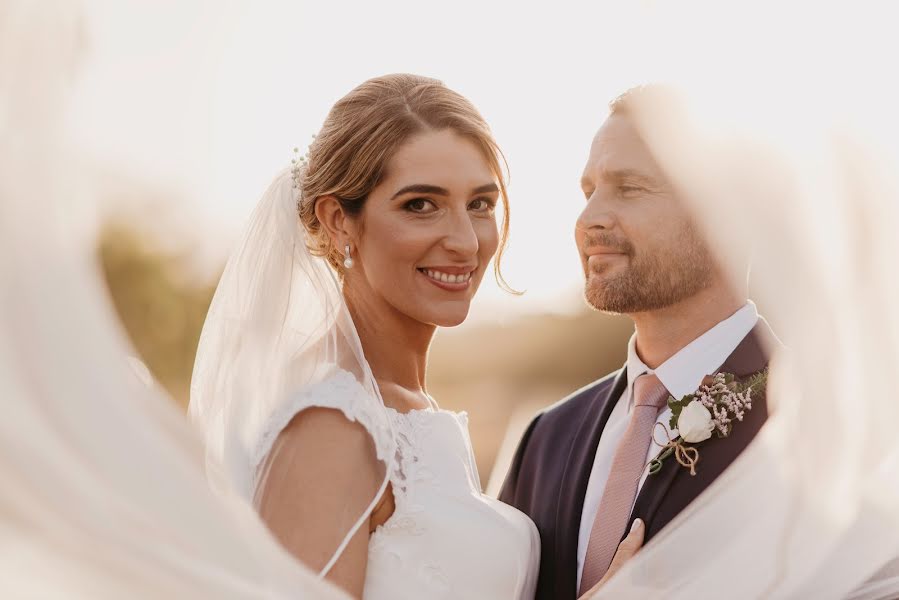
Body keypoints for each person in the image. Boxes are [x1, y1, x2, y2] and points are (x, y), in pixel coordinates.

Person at [188, 74, 539, 599]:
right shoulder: (333, 426)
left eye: (481, 204)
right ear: (338, 221)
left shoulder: (403, 409)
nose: (466, 241)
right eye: (421, 205)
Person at [499, 85, 778, 600]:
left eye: (630, 188)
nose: (588, 221)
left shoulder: (820, 419)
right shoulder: (546, 437)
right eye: (589, 192)